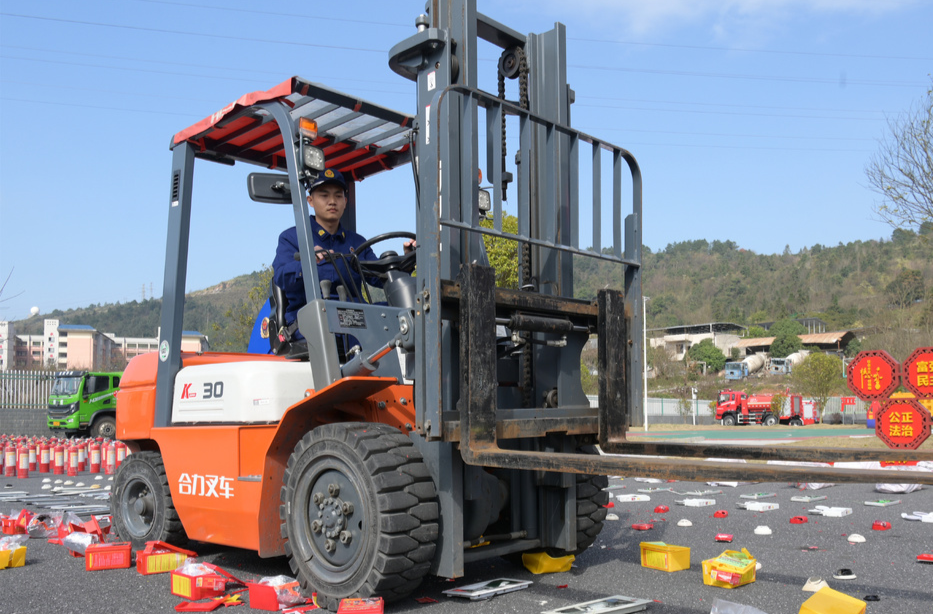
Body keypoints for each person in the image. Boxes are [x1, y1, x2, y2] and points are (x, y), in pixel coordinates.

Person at [272, 168, 414, 339]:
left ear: (345, 202)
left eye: (338, 196)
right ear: (310, 200)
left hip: (355, 320)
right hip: (312, 322)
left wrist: (406, 261)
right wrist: (308, 263)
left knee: (407, 313)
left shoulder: (357, 242)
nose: (332, 201)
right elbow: (281, 277)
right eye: (324, 196)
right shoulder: (293, 238)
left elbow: (380, 277)